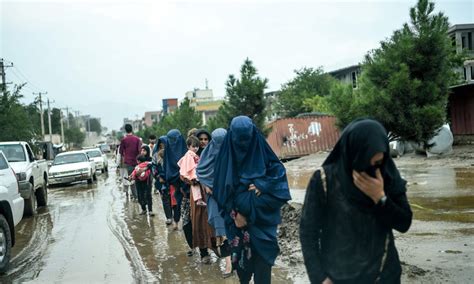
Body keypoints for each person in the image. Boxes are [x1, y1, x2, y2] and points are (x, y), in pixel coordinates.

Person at [299, 119, 413, 284]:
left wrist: (380, 198)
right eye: (368, 162)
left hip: (383, 275)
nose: (374, 170)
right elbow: (308, 233)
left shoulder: (386, 175)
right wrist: (319, 278)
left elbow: (404, 223)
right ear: (354, 155)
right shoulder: (325, 180)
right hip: (338, 277)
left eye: (379, 163)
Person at [213, 116, 291, 284]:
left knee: (264, 267)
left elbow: (279, 175)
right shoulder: (225, 158)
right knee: (243, 268)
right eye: (238, 140)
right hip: (238, 224)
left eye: (246, 139)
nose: (243, 145)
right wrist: (235, 214)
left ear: (253, 135)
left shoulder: (262, 151)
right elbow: (220, 191)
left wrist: (262, 184)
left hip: (263, 222)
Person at [196, 128, 233, 278]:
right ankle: (229, 264)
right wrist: (206, 184)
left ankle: (236, 260)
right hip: (215, 200)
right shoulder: (207, 155)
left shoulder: (233, 154)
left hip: (231, 198)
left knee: (234, 228)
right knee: (221, 230)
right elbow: (201, 171)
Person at [164, 129, 187, 230]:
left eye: (174, 140)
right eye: (170, 140)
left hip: (187, 182)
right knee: (175, 203)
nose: (173, 142)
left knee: (187, 204)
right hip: (173, 183)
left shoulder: (186, 152)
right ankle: (176, 221)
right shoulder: (167, 152)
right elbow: (165, 167)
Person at [178, 136, 206, 206]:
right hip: (191, 173)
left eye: (197, 146)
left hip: (192, 173)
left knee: (196, 186)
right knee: (195, 185)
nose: (196, 148)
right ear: (188, 146)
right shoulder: (190, 154)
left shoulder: (192, 154)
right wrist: (194, 175)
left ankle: (199, 199)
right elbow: (191, 166)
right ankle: (198, 199)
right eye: (193, 146)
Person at [119, 124, 142, 200]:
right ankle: (139, 194)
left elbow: (121, 152)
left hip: (128, 163)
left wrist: (122, 164)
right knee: (139, 178)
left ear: (125, 130)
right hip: (137, 162)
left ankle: (136, 196)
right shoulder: (137, 139)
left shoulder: (123, 140)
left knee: (131, 179)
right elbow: (140, 151)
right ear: (132, 129)